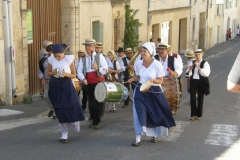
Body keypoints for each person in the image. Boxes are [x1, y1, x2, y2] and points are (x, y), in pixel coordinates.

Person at [128, 42, 176, 147]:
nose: (142, 53)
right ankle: (137, 138)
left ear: (150, 53)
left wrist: (152, 80)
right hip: (140, 91)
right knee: (139, 113)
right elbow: (139, 77)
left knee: (154, 114)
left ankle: (154, 135)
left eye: (144, 51)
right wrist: (132, 79)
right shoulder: (138, 63)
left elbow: (160, 80)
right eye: (141, 51)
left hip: (154, 91)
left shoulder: (156, 64)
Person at [47, 43, 85, 143]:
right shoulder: (51, 59)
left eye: (59, 56)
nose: (57, 58)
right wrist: (54, 72)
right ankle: (64, 134)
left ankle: (74, 121)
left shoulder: (69, 59)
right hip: (55, 84)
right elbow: (48, 73)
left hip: (66, 84)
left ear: (63, 53)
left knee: (71, 105)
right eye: (55, 56)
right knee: (59, 109)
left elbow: (74, 74)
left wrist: (65, 74)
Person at [77, 39, 108, 129]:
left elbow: (106, 69)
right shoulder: (83, 59)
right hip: (88, 83)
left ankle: (96, 121)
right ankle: (95, 119)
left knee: (97, 101)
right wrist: (83, 79)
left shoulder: (99, 56)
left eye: (89, 47)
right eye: (86, 47)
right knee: (91, 102)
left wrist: (98, 68)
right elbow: (79, 71)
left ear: (94, 47)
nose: (88, 49)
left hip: (99, 82)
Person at [186, 49, 210, 120]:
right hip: (194, 81)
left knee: (200, 98)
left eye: (199, 55)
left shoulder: (205, 63)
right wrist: (189, 69)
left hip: (201, 81)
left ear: (202, 55)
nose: (197, 56)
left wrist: (198, 68)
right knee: (192, 97)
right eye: (196, 55)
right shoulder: (192, 62)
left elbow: (206, 73)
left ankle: (199, 115)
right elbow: (187, 74)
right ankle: (193, 114)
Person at [37, 44, 56, 119]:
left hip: (54, 80)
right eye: (49, 51)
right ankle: (52, 108)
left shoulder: (57, 58)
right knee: (46, 97)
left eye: (52, 51)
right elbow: (39, 69)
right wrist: (42, 78)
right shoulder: (44, 59)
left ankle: (55, 113)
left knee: (54, 96)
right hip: (46, 80)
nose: (50, 53)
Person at [95, 42, 114, 119]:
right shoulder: (91, 56)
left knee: (101, 95)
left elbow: (110, 68)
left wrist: (101, 70)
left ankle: (101, 113)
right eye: (95, 48)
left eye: (98, 48)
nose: (96, 49)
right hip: (93, 79)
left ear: (101, 49)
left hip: (102, 78)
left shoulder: (104, 57)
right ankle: (94, 114)